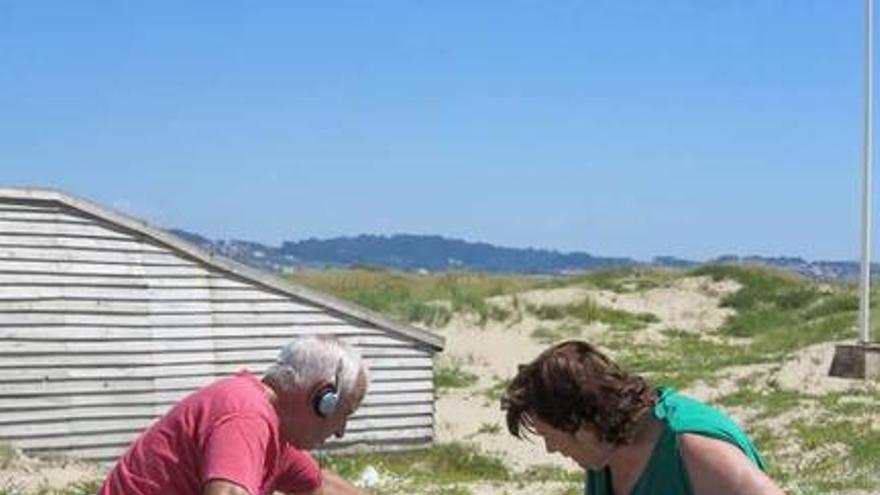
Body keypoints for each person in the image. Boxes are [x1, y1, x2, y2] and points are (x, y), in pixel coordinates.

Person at [501, 340, 786, 495]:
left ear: (582, 421)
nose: (551, 448)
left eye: (550, 436)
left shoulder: (692, 448)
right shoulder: (602, 455)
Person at [100, 335, 370, 495]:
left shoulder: (270, 429)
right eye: (344, 414)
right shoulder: (246, 416)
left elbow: (319, 486)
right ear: (322, 399)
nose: (340, 431)